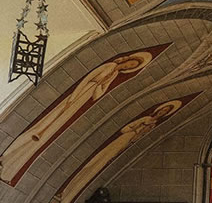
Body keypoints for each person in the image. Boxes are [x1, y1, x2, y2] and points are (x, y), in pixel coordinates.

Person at [0, 51, 154, 186]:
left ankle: (11, 168)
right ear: (126, 60)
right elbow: (87, 79)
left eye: (130, 67)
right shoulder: (108, 67)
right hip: (72, 99)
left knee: (48, 134)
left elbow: (97, 95)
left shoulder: (113, 76)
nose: (127, 67)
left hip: (81, 100)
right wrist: (73, 97)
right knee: (43, 124)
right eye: (129, 63)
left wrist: (101, 84)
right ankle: (6, 156)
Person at [52, 100, 182, 203]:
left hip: (125, 144)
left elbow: (138, 140)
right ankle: (64, 192)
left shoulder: (153, 125)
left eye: (165, 112)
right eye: (162, 110)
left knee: (100, 166)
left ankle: (70, 197)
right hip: (122, 140)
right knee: (93, 163)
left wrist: (135, 138)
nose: (162, 113)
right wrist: (135, 131)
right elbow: (125, 129)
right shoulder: (146, 119)